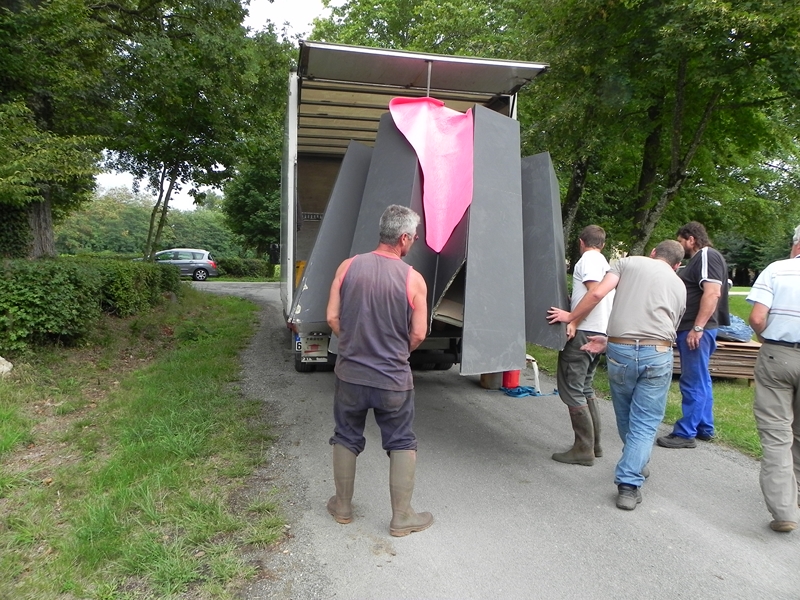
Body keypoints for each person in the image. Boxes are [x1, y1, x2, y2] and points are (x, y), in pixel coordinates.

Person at [548, 240, 686, 510]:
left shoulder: (627, 263)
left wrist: (572, 317)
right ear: (677, 265)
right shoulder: (680, 285)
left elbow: (597, 294)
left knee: (625, 414)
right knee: (644, 422)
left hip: (620, 349)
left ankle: (633, 466)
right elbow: (671, 326)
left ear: (653, 252)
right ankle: (630, 482)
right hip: (658, 352)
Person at [325, 204, 433, 537]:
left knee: (346, 434)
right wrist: (398, 352)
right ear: (403, 238)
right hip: (392, 379)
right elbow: (419, 333)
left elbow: (332, 317)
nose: (414, 240)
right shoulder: (413, 279)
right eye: (414, 236)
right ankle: (402, 517)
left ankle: (342, 507)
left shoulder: (348, 266)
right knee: (401, 441)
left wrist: (354, 343)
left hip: (350, 375)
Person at [746, 224, 800, 533]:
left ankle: (784, 510)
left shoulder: (777, 270)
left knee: (777, 433)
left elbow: (756, 317)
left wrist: (765, 337)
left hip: (779, 354)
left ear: (796, 245)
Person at [657, 222, 730, 449]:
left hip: (696, 330)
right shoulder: (700, 259)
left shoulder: (706, 255)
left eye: (681, 241)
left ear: (691, 239)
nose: (680, 247)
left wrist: (697, 328)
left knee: (692, 381)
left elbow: (713, 292)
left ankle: (685, 433)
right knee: (701, 378)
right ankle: (704, 427)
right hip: (696, 329)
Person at [552, 225, 615, 466]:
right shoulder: (605, 264)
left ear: (581, 242)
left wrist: (573, 319)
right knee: (585, 387)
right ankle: (594, 445)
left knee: (572, 388)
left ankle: (583, 449)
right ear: (603, 244)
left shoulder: (588, 260)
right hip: (601, 331)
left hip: (585, 332)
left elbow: (595, 293)